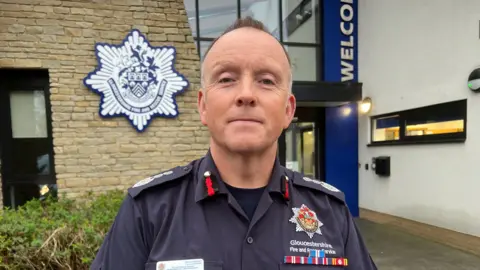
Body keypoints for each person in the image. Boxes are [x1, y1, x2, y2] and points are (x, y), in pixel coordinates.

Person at [90, 16, 377, 270]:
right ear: (203, 106)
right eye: (227, 79)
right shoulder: (148, 211)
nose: (246, 95)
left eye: (266, 81)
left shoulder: (330, 212)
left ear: (288, 110)